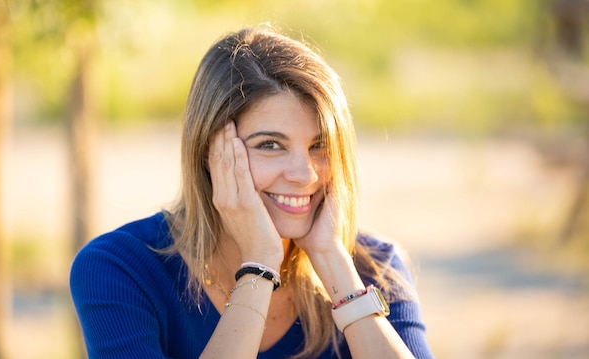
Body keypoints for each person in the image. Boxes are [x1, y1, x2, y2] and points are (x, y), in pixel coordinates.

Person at [70, 25, 434, 359]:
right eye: (271, 145)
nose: (304, 174)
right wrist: (260, 265)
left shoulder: (374, 267)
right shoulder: (119, 268)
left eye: (319, 145)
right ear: (210, 153)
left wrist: (332, 261)